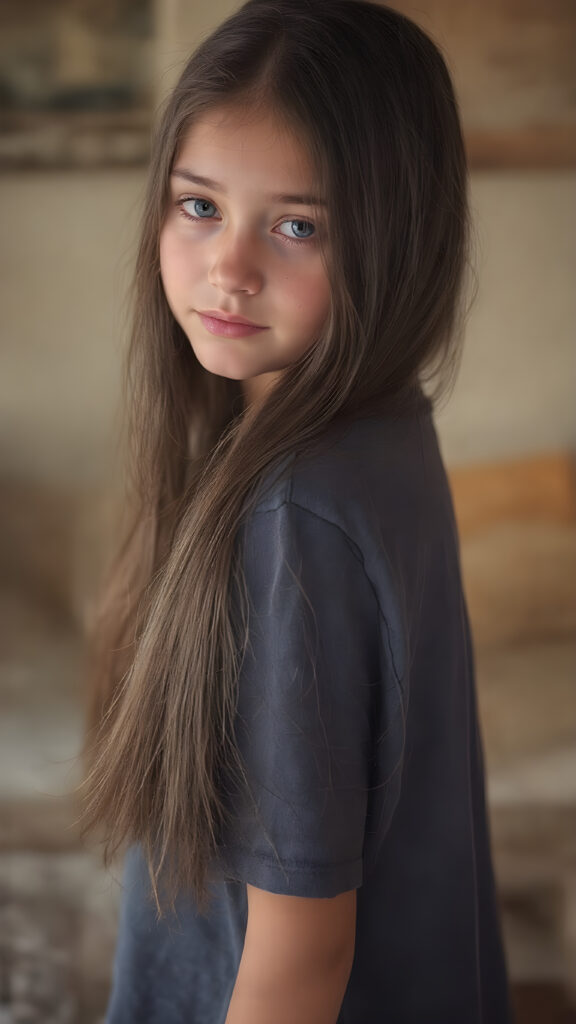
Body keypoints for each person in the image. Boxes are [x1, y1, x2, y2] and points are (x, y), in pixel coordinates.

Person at [76, 1, 514, 1021]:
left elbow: (302, 955)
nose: (230, 268)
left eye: (297, 224)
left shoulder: (294, 517)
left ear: (394, 240)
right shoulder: (381, 433)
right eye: (199, 207)